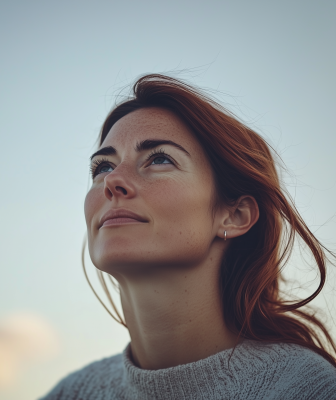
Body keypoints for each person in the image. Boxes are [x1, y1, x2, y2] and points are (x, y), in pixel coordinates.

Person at [40, 74, 336, 399]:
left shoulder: (307, 388)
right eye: (102, 167)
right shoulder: (71, 393)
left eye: (160, 159)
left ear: (234, 215)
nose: (113, 181)